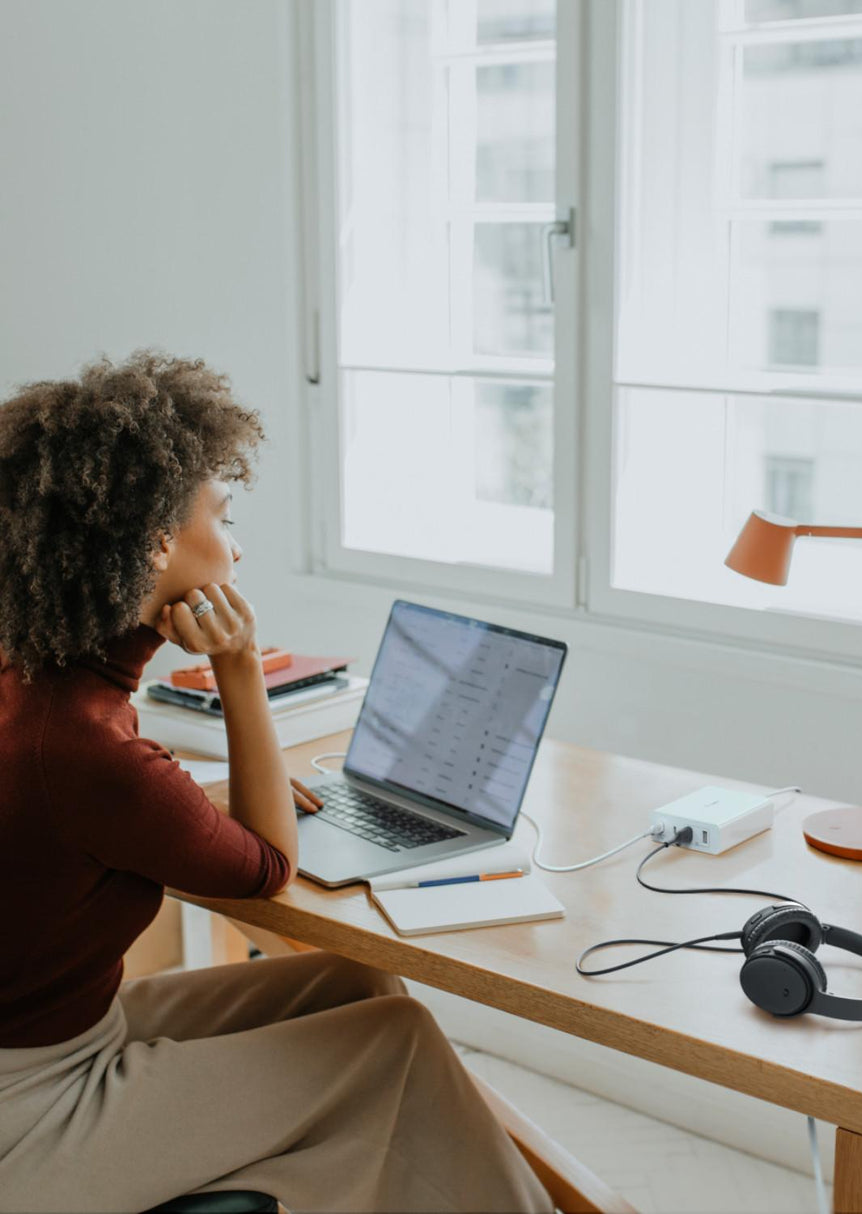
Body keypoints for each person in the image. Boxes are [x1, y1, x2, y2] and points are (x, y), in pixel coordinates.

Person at [0, 351, 553, 1214]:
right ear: (156, 541)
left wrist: (183, 801)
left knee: (356, 987)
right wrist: (241, 665)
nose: (238, 544)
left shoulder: (41, 677)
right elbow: (265, 866)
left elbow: (88, 816)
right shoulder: (82, 746)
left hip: (63, 1038)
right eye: (222, 516)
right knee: (394, 1045)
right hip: (32, 1112)